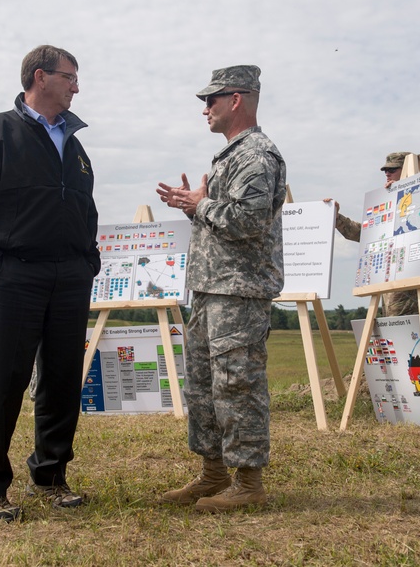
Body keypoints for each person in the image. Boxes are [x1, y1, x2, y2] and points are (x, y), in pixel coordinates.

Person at [0, 45, 100, 522]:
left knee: (61, 381)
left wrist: (86, 263)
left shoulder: (74, 147)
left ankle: (50, 477)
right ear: (40, 76)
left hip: (69, 279)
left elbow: (84, 212)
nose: (77, 85)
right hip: (17, 278)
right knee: (5, 382)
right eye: (70, 76)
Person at [155, 65, 286, 513]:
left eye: (212, 99)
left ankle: (249, 483)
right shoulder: (231, 156)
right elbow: (226, 222)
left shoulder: (257, 155)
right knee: (205, 385)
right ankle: (213, 475)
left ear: (237, 100)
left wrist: (202, 203)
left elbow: (249, 222)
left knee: (237, 384)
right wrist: (195, 208)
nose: (205, 108)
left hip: (239, 292)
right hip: (212, 289)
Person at [324, 151, 419, 317]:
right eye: (385, 171)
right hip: (387, 281)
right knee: (391, 332)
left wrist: (402, 194)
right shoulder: (388, 204)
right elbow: (364, 233)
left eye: (393, 169)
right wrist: (337, 218)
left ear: (406, 171)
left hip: (407, 283)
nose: (387, 174)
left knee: (406, 333)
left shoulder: (418, 201)